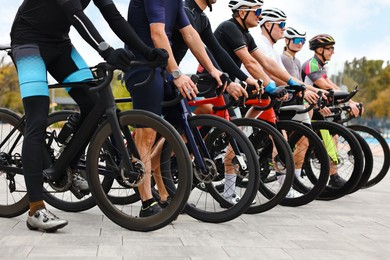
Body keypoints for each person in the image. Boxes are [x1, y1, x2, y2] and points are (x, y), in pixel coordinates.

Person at [10, 0, 167, 232]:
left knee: (95, 105)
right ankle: (35, 209)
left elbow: (114, 18)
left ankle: (67, 165)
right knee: (38, 118)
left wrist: (146, 51)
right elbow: (77, 16)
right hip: (28, 42)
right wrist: (106, 50)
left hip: (60, 45)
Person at [124, 0, 225, 216]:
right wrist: (177, 74)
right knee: (147, 133)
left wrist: (213, 69)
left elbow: (190, 35)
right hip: (142, 68)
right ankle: (146, 202)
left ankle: (164, 194)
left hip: (162, 69)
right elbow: (157, 33)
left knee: (176, 128)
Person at [301, 34, 363, 188]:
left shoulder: (320, 66)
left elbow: (331, 85)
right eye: (330, 49)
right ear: (320, 49)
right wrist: (348, 101)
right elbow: (325, 87)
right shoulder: (311, 64)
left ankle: (332, 175)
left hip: (316, 105)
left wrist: (349, 100)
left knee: (333, 135)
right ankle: (329, 174)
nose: (332, 52)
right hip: (306, 106)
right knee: (328, 135)